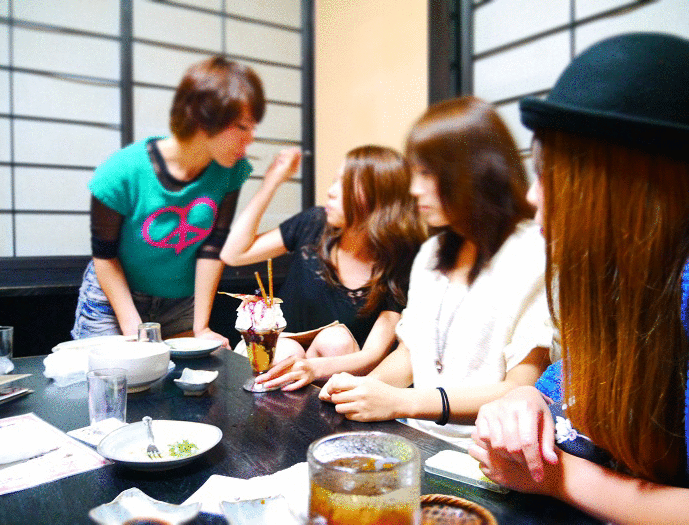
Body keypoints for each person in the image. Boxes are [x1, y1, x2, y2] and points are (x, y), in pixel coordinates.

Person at [469, 33, 689, 525]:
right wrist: (525, 401)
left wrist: (555, 477)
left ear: (616, 186)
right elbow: (565, 381)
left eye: (548, 174)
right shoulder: (622, 282)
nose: (531, 196)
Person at [319, 97, 554, 449]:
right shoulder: (432, 252)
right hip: (414, 438)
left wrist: (403, 402)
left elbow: (520, 387)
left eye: (427, 173)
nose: (414, 189)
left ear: (474, 171)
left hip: (485, 451)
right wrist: (362, 391)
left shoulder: (532, 253)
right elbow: (410, 355)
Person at [72, 56, 265, 345]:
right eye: (242, 127)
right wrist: (135, 330)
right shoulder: (120, 172)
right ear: (204, 118)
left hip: (181, 302)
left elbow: (212, 248)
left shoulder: (230, 171)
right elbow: (105, 256)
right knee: (117, 372)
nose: (251, 138)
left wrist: (201, 328)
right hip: (114, 301)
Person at [220, 145, 426, 391]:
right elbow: (233, 254)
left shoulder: (400, 258)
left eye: (345, 185)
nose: (331, 192)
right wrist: (272, 182)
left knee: (335, 340)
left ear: (379, 200)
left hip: (335, 368)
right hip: (276, 348)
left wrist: (311, 368)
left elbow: (374, 353)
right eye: (335, 181)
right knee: (287, 350)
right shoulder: (314, 223)